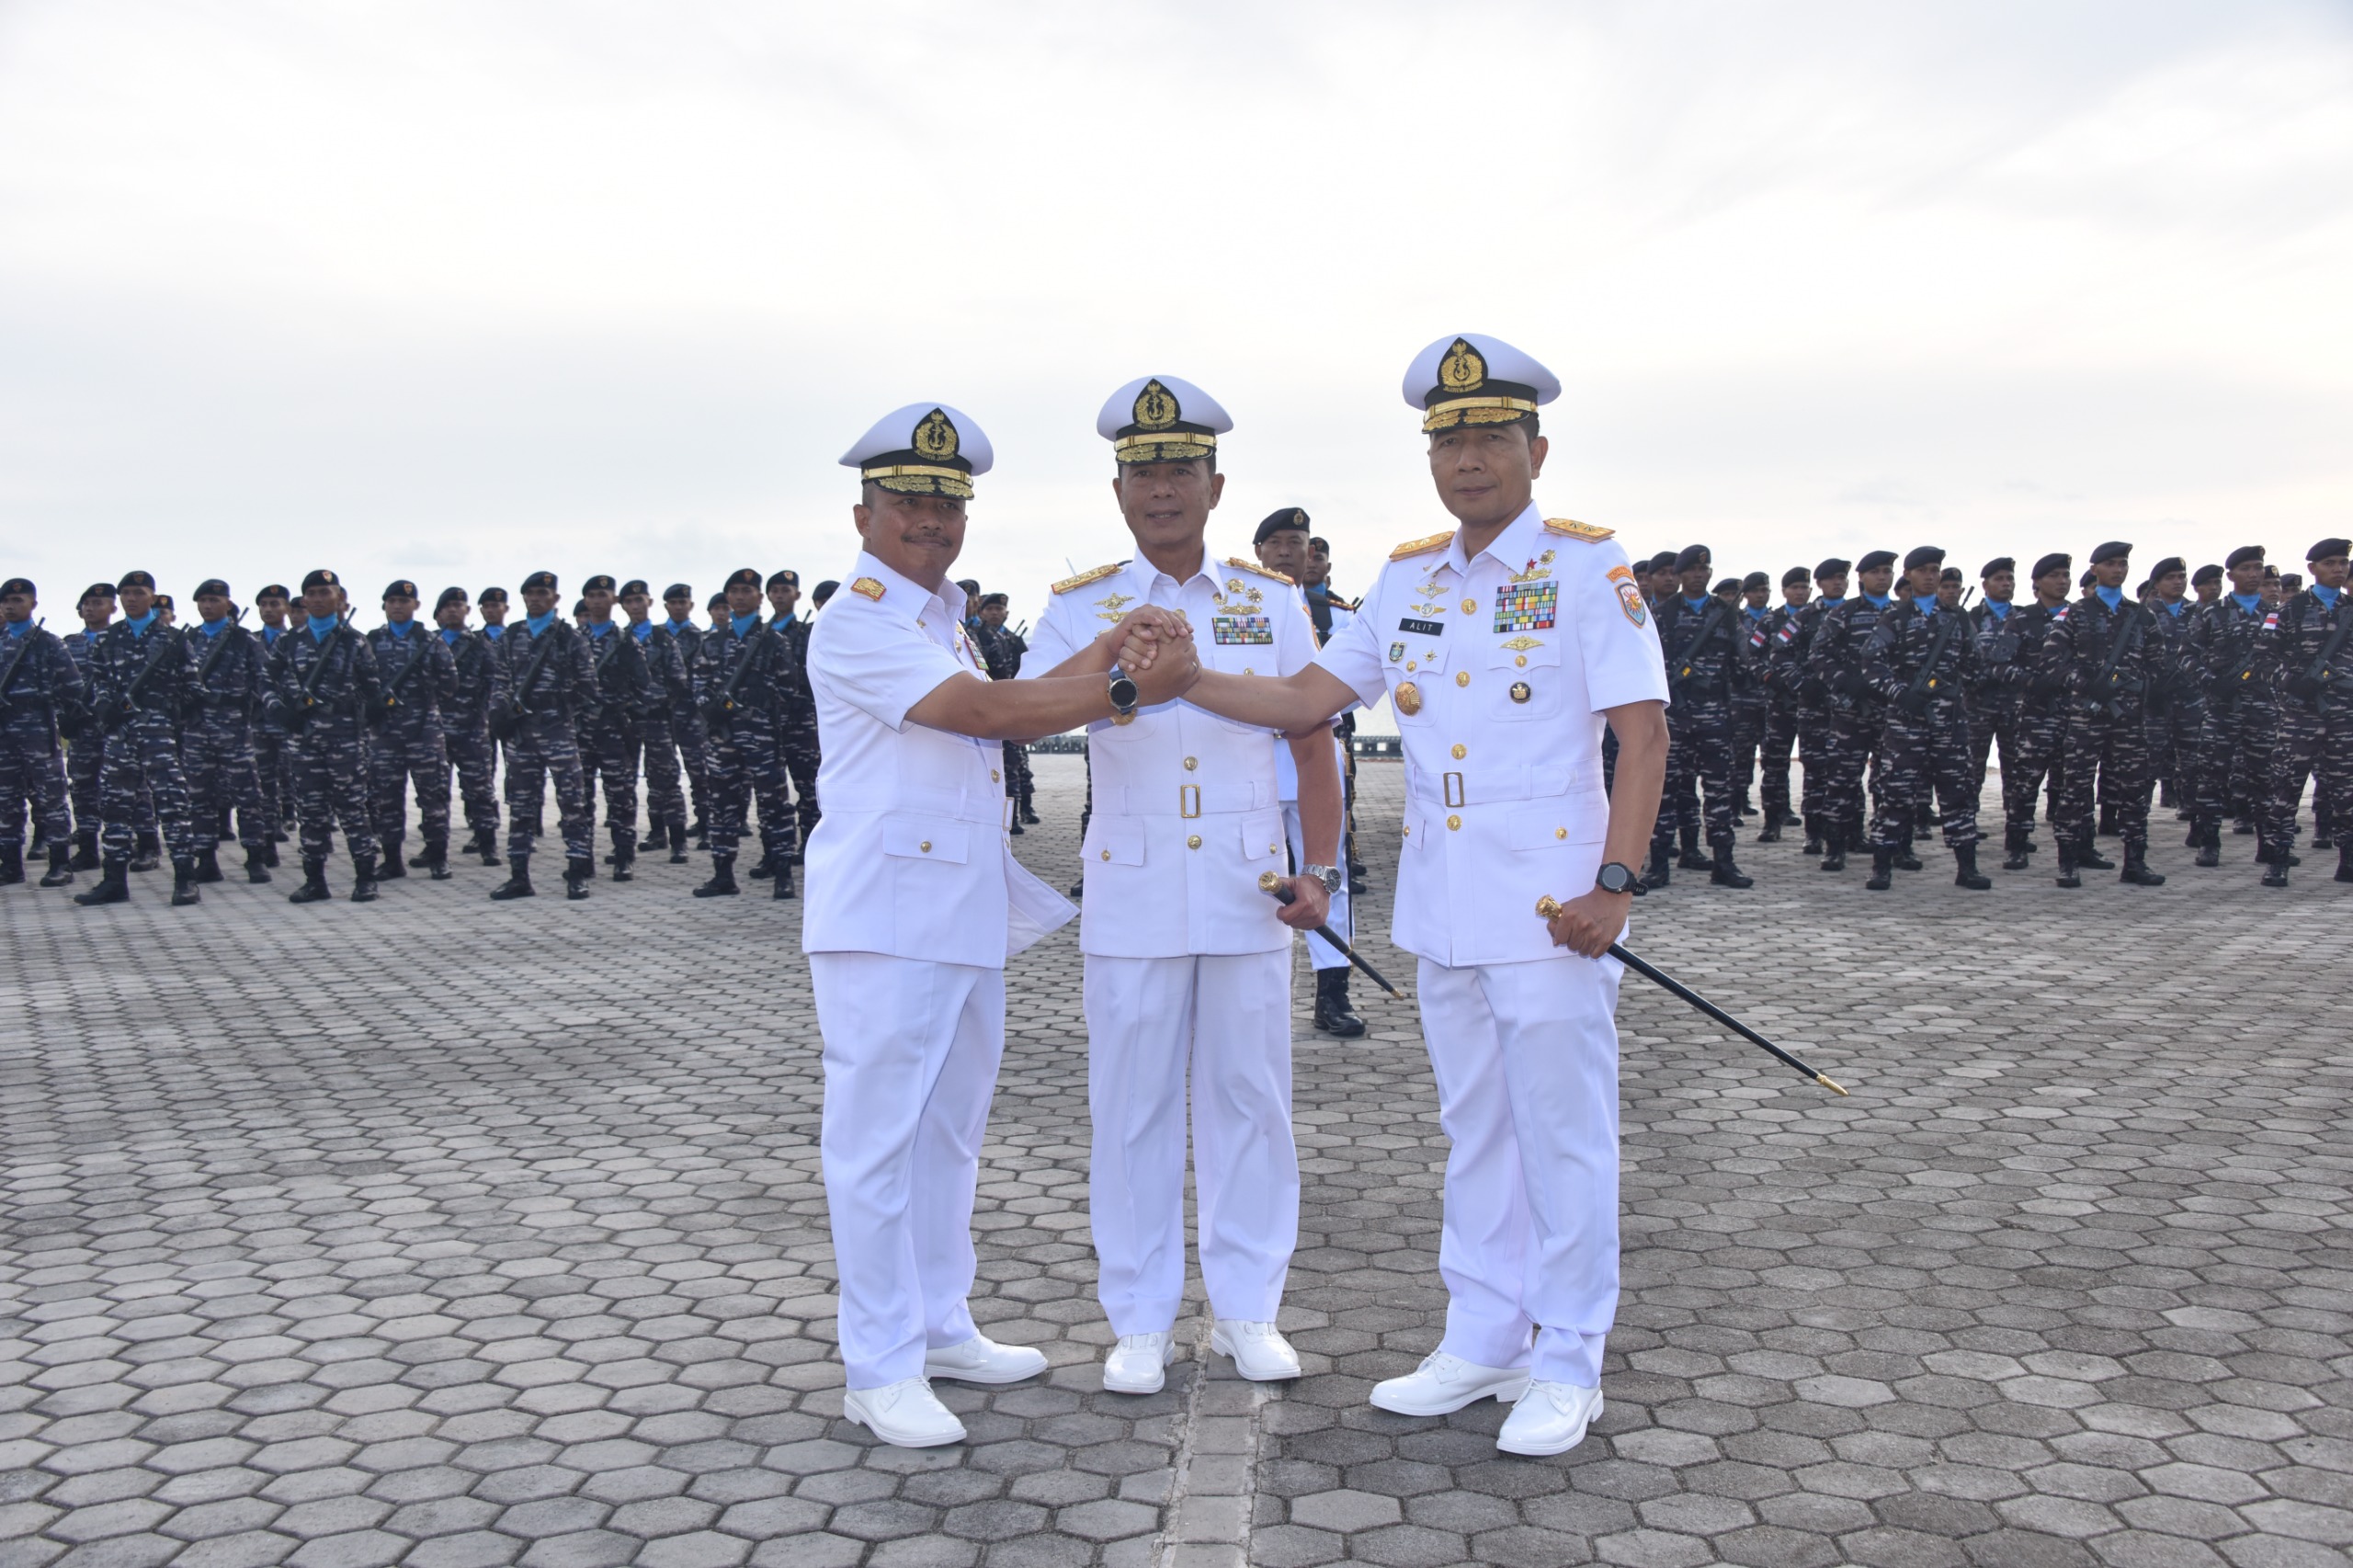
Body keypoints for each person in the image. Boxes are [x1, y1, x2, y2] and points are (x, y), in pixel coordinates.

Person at [1176, 335, 1669, 1457]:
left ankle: (1569, 1356)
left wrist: (1615, 883)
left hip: (1554, 907)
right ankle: (1483, 1333)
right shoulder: (1408, 578)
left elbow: (1642, 736)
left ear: (1535, 449)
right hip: (1447, 904)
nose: (1468, 459)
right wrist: (1190, 679)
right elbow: (1310, 691)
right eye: (1449, 441)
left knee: (1564, 1133)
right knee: (1475, 1129)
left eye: (1491, 436)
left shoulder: (1589, 567)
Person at [804, 400, 1196, 1447]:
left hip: (957, 911)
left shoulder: (941, 619)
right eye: (907, 505)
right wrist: (1122, 685)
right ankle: (877, 1363)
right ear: (863, 514)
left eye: (944, 505)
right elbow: (981, 715)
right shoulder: (859, 620)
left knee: (946, 1134)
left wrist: (1108, 648)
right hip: (886, 923)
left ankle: (937, 1322)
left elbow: (1017, 692)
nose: (928, 522)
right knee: (877, 1145)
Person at [1017, 376, 1342, 1398]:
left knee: (1252, 1100)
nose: (1162, 488)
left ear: (1215, 484)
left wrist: (1320, 866)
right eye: (1143, 471)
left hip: (1252, 887)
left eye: (1180, 470)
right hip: (1135, 887)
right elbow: (1025, 714)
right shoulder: (1078, 605)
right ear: (1118, 489)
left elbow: (1311, 735)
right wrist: (1110, 660)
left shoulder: (1268, 600)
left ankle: (1249, 1307)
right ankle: (1139, 1317)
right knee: (1132, 1108)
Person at [1254, 510, 1364, 1036]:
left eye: (1294, 543)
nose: (1284, 552)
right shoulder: (1240, 608)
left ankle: (1332, 992)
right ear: (1258, 552)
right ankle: (1255, 993)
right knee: (1256, 875)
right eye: (1273, 543)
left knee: (1327, 876)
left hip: (1317, 761)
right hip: (1257, 761)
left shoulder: (1337, 616)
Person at [2039, 541, 2165, 887]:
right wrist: (2085, 683)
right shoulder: (2076, 613)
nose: (2118, 569)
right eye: (2110, 564)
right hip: (2086, 717)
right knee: (2075, 789)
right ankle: (2068, 861)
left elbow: (2158, 663)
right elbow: (2051, 661)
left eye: (2122, 564)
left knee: (2134, 791)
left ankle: (2135, 861)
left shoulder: (2141, 615)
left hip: (2128, 718)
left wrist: (2134, 686)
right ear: (2094, 569)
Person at [1860, 548, 1987, 890]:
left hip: (1949, 721)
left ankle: (1967, 866)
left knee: (1957, 794)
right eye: (1924, 571)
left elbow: (1976, 665)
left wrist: (1955, 686)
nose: (1931, 576)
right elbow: (1871, 662)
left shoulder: (1958, 618)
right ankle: (1882, 865)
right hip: (1907, 721)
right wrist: (1900, 692)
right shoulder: (1895, 618)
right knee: (1896, 794)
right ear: (1910, 575)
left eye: (1936, 571)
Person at [73, 572, 202, 906]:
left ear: (152, 597)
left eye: (139, 593)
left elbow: (193, 688)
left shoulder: (172, 638)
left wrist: (171, 712)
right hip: (120, 732)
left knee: (173, 805)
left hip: (158, 731)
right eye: (127, 593)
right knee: (115, 806)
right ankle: (114, 881)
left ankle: (186, 879)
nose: (132, 598)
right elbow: (100, 681)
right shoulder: (108, 639)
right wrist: (104, 705)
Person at [266, 570, 383, 903]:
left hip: (345, 737)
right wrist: (279, 709)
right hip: (303, 737)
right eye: (312, 594)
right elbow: (265, 681)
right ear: (303, 601)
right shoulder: (288, 642)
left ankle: (365, 878)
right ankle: (315, 880)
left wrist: (362, 720)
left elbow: (373, 690)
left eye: (324, 592)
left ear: (339, 598)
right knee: (311, 811)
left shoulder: (355, 641)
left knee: (352, 809)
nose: (317, 599)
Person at [489, 570, 599, 900]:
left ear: (555, 599)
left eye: (543, 593)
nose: (536, 598)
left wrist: (565, 710)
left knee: (573, 805)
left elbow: (589, 687)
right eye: (531, 593)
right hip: (521, 735)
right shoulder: (510, 637)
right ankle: (519, 875)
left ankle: (577, 873)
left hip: (558, 731)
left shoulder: (569, 637)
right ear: (523, 598)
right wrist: (501, 713)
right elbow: (499, 681)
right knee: (521, 806)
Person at [690, 569, 800, 900]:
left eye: (746, 591)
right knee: (723, 805)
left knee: (773, 806)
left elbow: (788, 689)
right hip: (723, 737)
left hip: (762, 736)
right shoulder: (712, 641)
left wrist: (759, 707)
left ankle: (782, 873)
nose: (739, 597)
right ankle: (723, 874)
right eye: (734, 591)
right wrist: (714, 709)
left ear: (759, 598)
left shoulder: (772, 640)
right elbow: (698, 685)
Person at [2255, 538, 2351, 885]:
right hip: (2300, 718)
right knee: (2285, 791)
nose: (2339, 569)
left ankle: (2348, 861)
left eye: (2343, 562)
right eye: (2331, 563)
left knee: (2347, 793)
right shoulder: (2288, 612)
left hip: (2343, 717)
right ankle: (2277, 861)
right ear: (2313, 569)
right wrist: (2289, 680)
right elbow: (2263, 658)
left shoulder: (2350, 610)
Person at [1804, 551, 1896, 871]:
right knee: (1842, 780)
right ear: (1862, 578)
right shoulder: (1844, 613)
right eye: (1876, 572)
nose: (1883, 577)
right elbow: (1819, 654)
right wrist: (1842, 681)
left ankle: (1895, 846)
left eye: (1888, 571)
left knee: (1892, 783)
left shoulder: (1902, 613)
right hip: (1850, 712)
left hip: (1892, 711)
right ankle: (1835, 846)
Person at [180, 579, 273, 884]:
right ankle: (205, 857)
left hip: (233, 726)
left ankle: (255, 857)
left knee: (247, 794)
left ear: (227, 604)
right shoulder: (187, 639)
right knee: (199, 795)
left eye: (214, 600)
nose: (207, 605)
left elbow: (264, 680)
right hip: (196, 727)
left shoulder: (244, 640)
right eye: (203, 600)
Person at [367, 580, 459, 881]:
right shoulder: (371, 641)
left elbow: (450, 684)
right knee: (386, 798)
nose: (397, 606)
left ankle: (438, 857)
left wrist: (422, 698)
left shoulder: (430, 641)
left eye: (404, 601)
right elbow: (361, 682)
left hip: (424, 731)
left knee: (433, 797)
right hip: (385, 733)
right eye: (391, 600)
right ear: (384, 605)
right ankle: (392, 859)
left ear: (415, 605)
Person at [0, 578, 85, 889]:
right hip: (4, 730)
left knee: (51, 798)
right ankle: (10, 864)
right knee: (6, 799)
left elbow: (73, 688)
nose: (11, 605)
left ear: (33, 604)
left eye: (18, 600)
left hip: (37, 727)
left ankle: (60, 862)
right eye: (6, 600)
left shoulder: (48, 642)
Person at [577, 574, 651, 880]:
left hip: (615, 731)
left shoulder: (625, 640)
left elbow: (643, 685)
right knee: (579, 798)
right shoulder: (573, 639)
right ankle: (581, 857)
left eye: (603, 595)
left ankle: (623, 856)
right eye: (591, 596)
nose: (597, 601)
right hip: (579, 730)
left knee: (620, 796)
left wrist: (624, 711)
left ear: (614, 601)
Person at [621, 580, 694, 863]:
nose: (635, 606)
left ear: (649, 603)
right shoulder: (620, 638)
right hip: (626, 720)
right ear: (623, 606)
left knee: (664, 778)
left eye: (640, 600)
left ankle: (678, 841)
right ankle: (653, 833)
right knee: (625, 780)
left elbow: (679, 680)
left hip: (656, 719)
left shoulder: (663, 638)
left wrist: (657, 701)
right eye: (629, 601)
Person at [433, 588, 503, 866]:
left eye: (458, 605)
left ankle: (487, 843)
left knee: (479, 789)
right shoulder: (430, 644)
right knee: (435, 791)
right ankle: (434, 847)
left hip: (472, 728)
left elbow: (493, 683)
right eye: (447, 606)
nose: (453, 610)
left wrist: (486, 718)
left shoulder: (480, 645)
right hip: (434, 730)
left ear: (467, 611)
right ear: (438, 613)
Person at [767, 570, 824, 862]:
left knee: (808, 787)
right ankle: (774, 851)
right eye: (775, 590)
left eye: (786, 590)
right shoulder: (762, 635)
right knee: (771, 791)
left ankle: (811, 845)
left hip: (802, 721)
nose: (780, 595)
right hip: (770, 723)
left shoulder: (810, 631)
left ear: (797, 596)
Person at [1750, 567, 1811, 842]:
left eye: (1804, 587)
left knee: (1817, 765)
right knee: (1775, 763)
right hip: (1779, 703)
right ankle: (1772, 820)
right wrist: (1768, 676)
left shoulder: (1819, 618)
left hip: (1814, 705)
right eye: (1795, 587)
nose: (1800, 592)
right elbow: (1751, 655)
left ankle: (1816, 828)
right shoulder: (1770, 621)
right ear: (1785, 591)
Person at [60, 584, 116, 871]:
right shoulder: (69, 644)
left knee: (123, 789)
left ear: (113, 608)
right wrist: (64, 717)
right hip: (82, 729)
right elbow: (57, 686)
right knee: (82, 788)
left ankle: (139, 845)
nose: (91, 609)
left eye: (98, 603)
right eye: (87, 604)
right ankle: (88, 848)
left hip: (115, 728)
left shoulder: (122, 641)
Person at [2142, 557, 2202, 820]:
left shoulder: (2201, 611)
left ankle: (2190, 807)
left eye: (2181, 576)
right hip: (2156, 699)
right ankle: (2139, 809)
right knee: (2150, 757)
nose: (2178, 582)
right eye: (2171, 578)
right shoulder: (2143, 614)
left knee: (2193, 758)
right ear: (2157, 584)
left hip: (2191, 697)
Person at [970, 593, 1033, 832]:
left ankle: (1013, 818)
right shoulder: (978, 637)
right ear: (981, 612)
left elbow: (1025, 669)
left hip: (1012, 708)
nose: (995, 613)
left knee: (1014, 767)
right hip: (988, 708)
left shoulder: (1011, 639)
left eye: (999, 609)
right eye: (990, 608)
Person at [662, 584, 712, 846]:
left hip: (692, 716)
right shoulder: (656, 636)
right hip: (661, 715)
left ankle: (705, 825)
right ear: (666, 607)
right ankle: (660, 828)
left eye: (683, 602)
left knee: (699, 773)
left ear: (690, 606)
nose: (678, 606)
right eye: (673, 602)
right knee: (661, 773)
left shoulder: (700, 638)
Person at [252, 584, 295, 847]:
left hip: (289, 720)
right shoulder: (250, 640)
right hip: (259, 720)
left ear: (287, 609)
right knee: (264, 779)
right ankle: (269, 831)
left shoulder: (296, 640)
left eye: (275, 604)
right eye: (264, 605)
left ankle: (292, 817)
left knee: (293, 775)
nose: (268, 609)